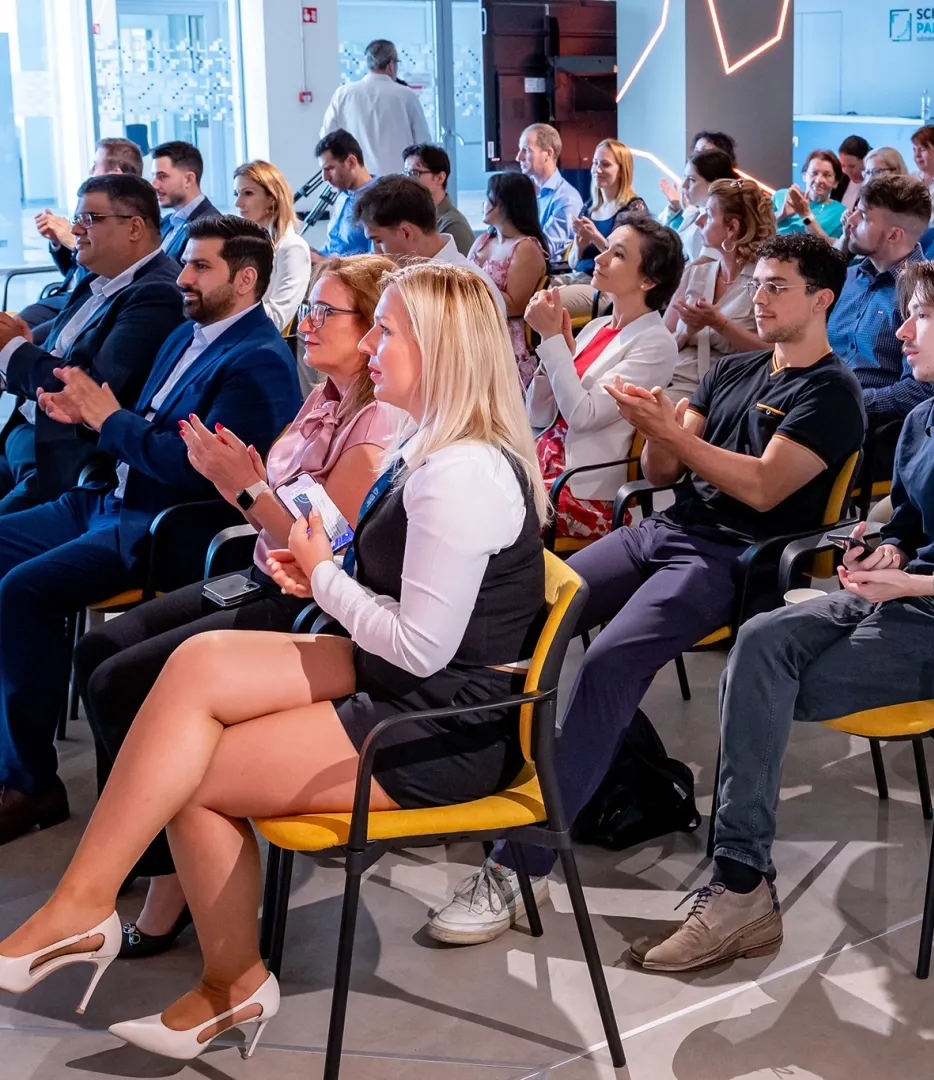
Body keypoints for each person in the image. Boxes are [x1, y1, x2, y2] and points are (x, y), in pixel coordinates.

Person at [0, 263, 542, 1062]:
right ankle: (89, 904)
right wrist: (324, 569)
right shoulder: (437, 445)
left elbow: (423, 645)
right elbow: (402, 599)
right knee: (199, 663)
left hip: (444, 720)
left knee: (195, 776)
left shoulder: (459, 473)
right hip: (407, 674)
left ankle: (226, 979)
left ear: (440, 350)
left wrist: (321, 572)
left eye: (386, 331)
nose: (372, 346)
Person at [634, 254, 934, 971]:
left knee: (762, 687)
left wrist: (920, 587)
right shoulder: (923, 422)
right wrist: (881, 551)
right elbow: (908, 524)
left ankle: (738, 885)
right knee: (756, 647)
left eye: (921, 316)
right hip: (901, 602)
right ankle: (742, 884)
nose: (902, 331)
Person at [426, 234, 865, 945]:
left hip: (735, 559)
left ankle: (520, 865)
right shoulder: (735, 370)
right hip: (669, 530)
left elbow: (760, 488)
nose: (761, 295)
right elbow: (664, 473)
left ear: (823, 299)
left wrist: (675, 436)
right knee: (526, 609)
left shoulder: (832, 394)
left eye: (779, 286)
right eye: (758, 282)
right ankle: (474, 769)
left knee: (608, 663)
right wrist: (657, 430)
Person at [73, 255, 402, 958]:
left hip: (302, 602)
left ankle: (167, 885)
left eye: (326, 313)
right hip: (256, 570)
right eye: (309, 307)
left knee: (121, 680)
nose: (306, 323)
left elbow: (324, 553)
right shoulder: (325, 396)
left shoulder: (376, 429)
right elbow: (273, 500)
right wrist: (243, 483)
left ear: (375, 330)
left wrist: (245, 489)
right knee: (100, 650)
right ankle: (141, 851)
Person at [0, 216, 302, 844]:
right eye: (185, 263)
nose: (183, 278)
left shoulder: (259, 359)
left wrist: (108, 419)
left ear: (244, 279)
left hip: (157, 526)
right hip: (105, 498)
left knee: (23, 591)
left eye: (200, 267)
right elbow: (146, 423)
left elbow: (197, 471)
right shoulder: (189, 334)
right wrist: (85, 415)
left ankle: (30, 784)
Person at [0, 175, 186, 516]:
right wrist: (24, 343)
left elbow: (86, 392)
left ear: (134, 228)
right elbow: (62, 353)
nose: (75, 231)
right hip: (22, 431)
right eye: (75, 220)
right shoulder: (97, 279)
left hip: (64, 456)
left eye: (88, 219)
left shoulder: (158, 295)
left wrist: (11, 350)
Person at [524, 216, 683, 542]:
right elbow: (537, 415)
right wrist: (553, 352)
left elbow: (583, 416)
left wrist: (552, 341)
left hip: (579, 488)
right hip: (544, 465)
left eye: (619, 254)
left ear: (648, 281)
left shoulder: (656, 342)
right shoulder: (599, 327)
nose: (599, 257)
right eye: (607, 248)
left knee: (485, 513)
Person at [828, 175, 934, 444]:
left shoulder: (928, 293)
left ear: (894, 234)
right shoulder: (847, 278)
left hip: (868, 431)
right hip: (819, 408)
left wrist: (849, 403)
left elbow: (922, 389)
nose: (850, 221)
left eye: (862, 216)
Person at [665, 178, 775, 400]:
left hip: (724, 390)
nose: (699, 221)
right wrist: (687, 331)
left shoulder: (765, 282)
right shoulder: (696, 273)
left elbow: (775, 352)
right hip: (670, 376)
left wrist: (720, 324)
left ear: (732, 228)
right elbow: (661, 339)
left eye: (709, 213)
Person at [30, 138, 146, 322]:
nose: (91, 171)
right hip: (69, 297)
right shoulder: (95, 209)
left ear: (115, 174)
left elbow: (105, 279)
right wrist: (57, 242)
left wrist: (74, 243)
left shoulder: (124, 222)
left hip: (91, 302)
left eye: (95, 165)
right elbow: (72, 271)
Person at [352, 175, 502, 308]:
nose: (375, 253)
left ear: (406, 232)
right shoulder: (409, 276)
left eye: (378, 240)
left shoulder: (464, 288)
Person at [469, 172, 549, 390]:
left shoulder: (526, 248)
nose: (484, 204)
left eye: (489, 198)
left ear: (505, 204)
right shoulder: (483, 240)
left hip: (503, 336)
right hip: (472, 325)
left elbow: (515, 305)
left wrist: (475, 281)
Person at [319, 38, 432, 181]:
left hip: (356, 181)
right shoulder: (406, 95)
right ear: (391, 65)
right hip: (399, 183)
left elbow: (326, 137)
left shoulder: (343, 94)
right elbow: (423, 143)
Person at [231, 161, 313, 331]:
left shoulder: (293, 248)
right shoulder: (247, 245)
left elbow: (277, 317)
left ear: (272, 198)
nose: (238, 203)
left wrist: (227, 310)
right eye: (236, 194)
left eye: (247, 193)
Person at [565, 140, 649, 282]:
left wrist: (595, 237)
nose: (597, 170)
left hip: (607, 285)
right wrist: (579, 247)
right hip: (579, 277)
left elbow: (627, 262)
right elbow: (572, 263)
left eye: (605, 164)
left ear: (622, 171)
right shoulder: (589, 207)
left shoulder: (633, 208)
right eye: (595, 163)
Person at [517, 123, 585, 272]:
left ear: (548, 153)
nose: (518, 157)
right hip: (522, 265)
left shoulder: (566, 199)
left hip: (544, 276)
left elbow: (543, 250)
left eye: (526, 150)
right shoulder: (523, 192)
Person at [655, 148, 738, 262]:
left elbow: (707, 261)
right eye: (685, 177)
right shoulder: (694, 212)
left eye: (692, 179)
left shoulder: (720, 220)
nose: (684, 185)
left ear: (714, 182)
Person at [149, 141, 221, 264]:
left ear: (188, 179)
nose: (154, 185)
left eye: (162, 176)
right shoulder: (166, 222)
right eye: (153, 176)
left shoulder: (211, 227)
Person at [403, 143, 475, 255]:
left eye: (414, 173)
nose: (407, 180)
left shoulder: (454, 225)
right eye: (406, 173)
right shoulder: (412, 217)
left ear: (440, 178)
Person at [313, 129, 374, 260]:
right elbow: (331, 249)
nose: (325, 178)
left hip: (352, 277)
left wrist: (324, 262)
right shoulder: (342, 196)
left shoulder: (381, 198)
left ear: (351, 162)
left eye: (329, 169)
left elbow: (376, 260)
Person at [771, 150, 844, 240]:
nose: (818, 180)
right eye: (814, 173)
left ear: (835, 182)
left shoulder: (840, 213)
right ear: (804, 176)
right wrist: (781, 214)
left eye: (826, 175)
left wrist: (806, 215)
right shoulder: (781, 196)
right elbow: (755, 227)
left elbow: (834, 250)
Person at [837, 134, 871, 208]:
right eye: (843, 165)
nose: (846, 171)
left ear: (866, 161)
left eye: (851, 166)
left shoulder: (875, 185)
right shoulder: (840, 179)